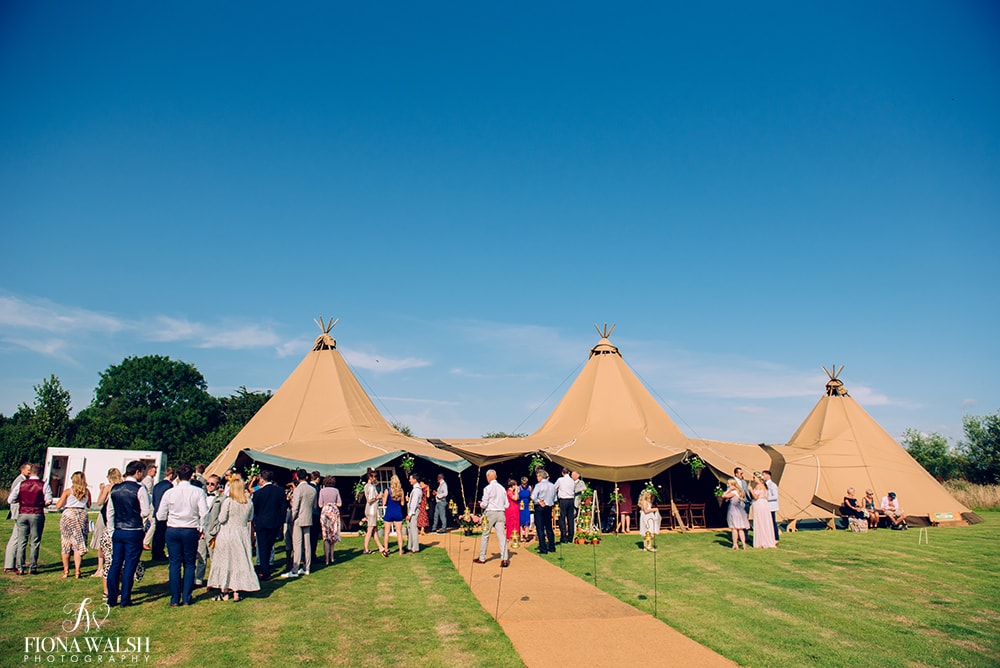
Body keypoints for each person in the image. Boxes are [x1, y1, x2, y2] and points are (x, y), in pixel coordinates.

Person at [157, 463, 209, 606]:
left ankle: (174, 598)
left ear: (177, 476)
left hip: (173, 528)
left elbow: (160, 515)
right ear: (191, 476)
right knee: (189, 563)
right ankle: (186, 596)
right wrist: (202, 527)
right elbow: (204, 513)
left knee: (174, 563)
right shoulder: (198, 492)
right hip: (190, 528)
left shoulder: (169, 493)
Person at [106, 460, 151, 607]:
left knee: (115, 564)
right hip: (133, 530)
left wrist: (112, 530)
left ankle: (111, 597)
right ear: (138, 472)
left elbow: (110, 513)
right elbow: (145, 511)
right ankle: (125, 598)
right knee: (130, 565)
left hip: (118, 530)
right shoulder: (139, 488)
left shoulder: (115, 489)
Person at [207, 477, 260, 602]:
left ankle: (224, 592)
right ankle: (236, 591)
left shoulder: (229, 501)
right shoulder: (248, 503)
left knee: (225, 561)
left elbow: (221, 519)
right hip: (241, 533)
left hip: (227, 532)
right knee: (238, 562)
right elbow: (249, 518)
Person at [8, 462, 53, 575]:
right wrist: (41, 503)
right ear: (40, 473)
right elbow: (49, 501)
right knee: (35, 541)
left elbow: (10, 499)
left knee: (21, 541)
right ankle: (32, 567)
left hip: (23, 513)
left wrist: (20, 501)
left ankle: (20, 567)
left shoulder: (21, 484)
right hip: (37, 513)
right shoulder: (43, 485)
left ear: (30, 472)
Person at [252, 469, 287, 580]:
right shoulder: (280, 491)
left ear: (262, 480)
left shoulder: (258, 493)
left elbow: (255, 509)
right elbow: (283, 508)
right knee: (270, 545)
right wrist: (281, 521)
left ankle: (264, 570)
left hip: (262, 522)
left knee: (262, 547)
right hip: (274, 522)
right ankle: (266, 566)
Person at [55, 471, 91, 578]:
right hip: (82, 515)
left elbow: (58, 505)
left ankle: (66, 570)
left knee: (66, 543)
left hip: (69, 515)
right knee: (78, 543)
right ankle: (77, 571)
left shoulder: (68, 491)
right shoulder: (86, 491)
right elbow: (89, 505)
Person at [282, 469, 317, 577]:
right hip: (308, 517)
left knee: (297, 545)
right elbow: (314, 506)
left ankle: (295, 569)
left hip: (298, 519)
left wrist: (292, 518)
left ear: (297, 477)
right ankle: (307, 567)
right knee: (307, 545)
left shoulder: (298, 490)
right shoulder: (313, 490)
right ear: (306, 477)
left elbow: (295, 507)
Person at [472, 469, 509, 567]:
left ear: (488, 477)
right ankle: (504, 558)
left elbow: (484, 504)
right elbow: (507, 504)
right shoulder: (502, 488)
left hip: (491, 512)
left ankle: (482, 557)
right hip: (501, 512)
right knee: (501, 536)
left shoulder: (487, 488)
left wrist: (481, 504)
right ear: (495, 476)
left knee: (485, 535)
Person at [195, 475, 224, 587]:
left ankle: (213, 581)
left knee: (214, 558)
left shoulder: (221, 498)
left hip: (213, 531)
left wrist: (216, 531)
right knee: (201, 556)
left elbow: (221, 517)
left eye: (212, 484)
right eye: (207, 483)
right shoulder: (201, 495)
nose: (209, 486)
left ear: (217, 485)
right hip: (201, 530)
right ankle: (198, 579)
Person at [4, 463, 30, 573]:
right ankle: (10, 565)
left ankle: (14, 562)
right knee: (16, 537)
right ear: (22, 470)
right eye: (28, 470)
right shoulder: (20, 480)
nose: (30, 471)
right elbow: (14, 497)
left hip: (18, 510)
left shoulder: (21, 479)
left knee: (18, 537)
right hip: (18, 510)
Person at [149, 467, 176, 560]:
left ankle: (155, 551)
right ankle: (159, 552)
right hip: (164, 512)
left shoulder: (157, 485)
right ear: (171, 475)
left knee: (157, 532)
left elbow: (154, 499)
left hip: (156, 510)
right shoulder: (169, 486)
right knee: (162, 533)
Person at [530, 469, 557, 555]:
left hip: (540, 507)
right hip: (548, 507)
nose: (537, 478)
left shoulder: (538, 485)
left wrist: (539, 501)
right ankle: (552, 547)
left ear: (540, 477)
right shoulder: (552, 486)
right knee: (549, 527)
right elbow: (555, 498)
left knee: (540, 528)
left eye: (538, 476)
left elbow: (533, 496)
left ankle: (543, 548)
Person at [361, 469, 387, 556]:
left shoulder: (367, 486)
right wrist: (378, 497)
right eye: (374, 476)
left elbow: (377, 483)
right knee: (370, 530)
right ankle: (366, 548)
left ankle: (381, 547)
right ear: (370, 477)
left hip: (370, 509)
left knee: (375, 530)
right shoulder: (371, 487)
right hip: (371, 509)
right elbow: (370, 500)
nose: (375, 478)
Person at [318, 476, 342, 564]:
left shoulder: (322, 491)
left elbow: (320, 505)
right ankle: (332, 557)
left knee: (325, 536)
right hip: (334, 512)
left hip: (325, 512)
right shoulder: (336, 491)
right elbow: (340, 504)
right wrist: (333, 503)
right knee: (332, 535)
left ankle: (326, 559)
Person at [381, 474, 405, 556]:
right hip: (398, 512)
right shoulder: (401, 491)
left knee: (387, 532)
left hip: (389, 512)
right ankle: (400, 551)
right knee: (399, 532)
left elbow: (384, 503)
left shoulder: (387, 490)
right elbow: (402, 503)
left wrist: (383, 498)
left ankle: (386, 550)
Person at [750, 473, 776, 549]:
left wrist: (751, 490)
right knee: (765, 521)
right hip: (764, 504)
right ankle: (766, 539)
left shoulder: (759, 486)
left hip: (759, 504)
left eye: (754, 477)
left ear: (758, 478)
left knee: (760, 521)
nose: (753, 479)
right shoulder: (764, 486)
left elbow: (755, 496)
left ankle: (761, 541)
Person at [722, 479, 749, 550]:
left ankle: (735, 544)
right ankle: (743, 544)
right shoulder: (739, 491)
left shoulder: (733, 492)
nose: (728, 485)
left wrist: (728, 490)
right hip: (739, 509)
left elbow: (724, 496)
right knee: (740, 528)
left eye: (729, 484)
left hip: (733, 510)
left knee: (734, 528)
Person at [554, 468, 576, 544]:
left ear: (562, 473)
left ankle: (563, 536)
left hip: (563, 500)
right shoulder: (572, 481)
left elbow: (554, 488)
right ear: (569, 473)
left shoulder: (560, 480)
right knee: (570, 518)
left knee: (562, 518)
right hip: (571, 499)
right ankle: (571, 536)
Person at [637, 487, 661, 552]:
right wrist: (654, 509)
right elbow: (646, 511)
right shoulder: (644, 502)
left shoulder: (649, 502)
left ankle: (648, 546)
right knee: (647, 531)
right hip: (646, 517)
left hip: (649, 516)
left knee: (650, 531)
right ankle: (647, 546)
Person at [762, 470, 781, 545]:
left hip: (771, 507)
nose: (762, 477)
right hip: (765, 507)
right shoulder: (764, 485)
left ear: (768, 476)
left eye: (763, 475)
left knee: (772, 522)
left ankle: (775, 537)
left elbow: (775, 496)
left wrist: (766, 498)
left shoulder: (772, 485)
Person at [405, 474, 422, 553]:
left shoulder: (416, 490)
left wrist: (410, 514)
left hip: (413, 511)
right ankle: (410, 546)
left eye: (411, 479)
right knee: (410, 529)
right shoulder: (415, 489)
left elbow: (414, 503)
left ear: (415, 479)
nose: (409, 480)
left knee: (413, 529)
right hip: (412, 510)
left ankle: (415, 547)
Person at [505, 479, 521, 544]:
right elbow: (515, 498)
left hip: (515, 508)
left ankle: (516, 536)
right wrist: (516, 491)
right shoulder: (509, 492)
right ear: (513, 485)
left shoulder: (512, 491)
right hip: (511, 509)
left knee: (516, 522)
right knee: (511, 522)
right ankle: (510, 537)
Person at [518, 476, 532, 542]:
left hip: (527, 505)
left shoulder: (529, 488)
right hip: (520, 506)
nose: (524, 485)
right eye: (523, 484)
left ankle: (526, 536)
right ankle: (521, 536)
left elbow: (531, 496)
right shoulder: (519, 488)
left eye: (525, 483)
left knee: (527, 521)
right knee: (521, 521)